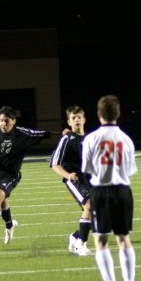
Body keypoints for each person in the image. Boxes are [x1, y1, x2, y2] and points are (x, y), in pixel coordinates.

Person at [81, 95, 138, 281]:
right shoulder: (126, 139)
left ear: (98, 115)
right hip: (122, 190)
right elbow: (130, 170)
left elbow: (86, 171)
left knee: (101, 241)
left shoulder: (91, 138)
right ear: (118, 114)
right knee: (124, 238)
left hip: (101, 190)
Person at [0, 106, 49, 246]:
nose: (3, 124)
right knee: (2, 201)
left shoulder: (22, 134)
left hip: (12, 174)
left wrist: (62, 133)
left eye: (6, 121)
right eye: (1, 121)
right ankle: (10, 224)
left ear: (13, 121)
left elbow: (41, 133)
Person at [49, 105, 93, 257]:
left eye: (79, 117)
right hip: (74, 179)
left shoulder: (90, 139)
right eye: (73, 118)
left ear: (84, 120)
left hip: (89, 179)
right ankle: (81, 246)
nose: (76, 120)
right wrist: (68, 176)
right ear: (69, 122)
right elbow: (54, 164)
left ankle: (75, 237)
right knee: (89, 206)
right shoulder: (66, 139)